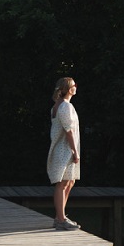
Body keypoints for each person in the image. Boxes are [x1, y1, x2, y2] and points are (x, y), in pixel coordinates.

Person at [47, 76, 81, 230]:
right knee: (62, 183)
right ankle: (60, 219)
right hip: (64, 149)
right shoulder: (65, 106)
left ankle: (60, 217)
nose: (75, 87)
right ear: (67, 89)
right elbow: (69, 131)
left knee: (69, 182)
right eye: (73, 85)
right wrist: (74, 151)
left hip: (64, 148)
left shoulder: (58, 105)